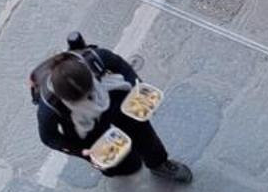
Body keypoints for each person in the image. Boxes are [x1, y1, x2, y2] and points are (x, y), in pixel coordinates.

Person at [30, 37, 191, 183]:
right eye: (81, 99)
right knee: (117, 161)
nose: (87, 99)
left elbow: (122, 67)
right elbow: (49, 137)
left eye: (88, 92)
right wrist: (82, 151)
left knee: (142, 131)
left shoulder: (95, 58)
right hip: (80, 123)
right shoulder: (49, 107)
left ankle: (159, 163)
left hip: (111, 95)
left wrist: (139, 92)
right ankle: (120, 168)